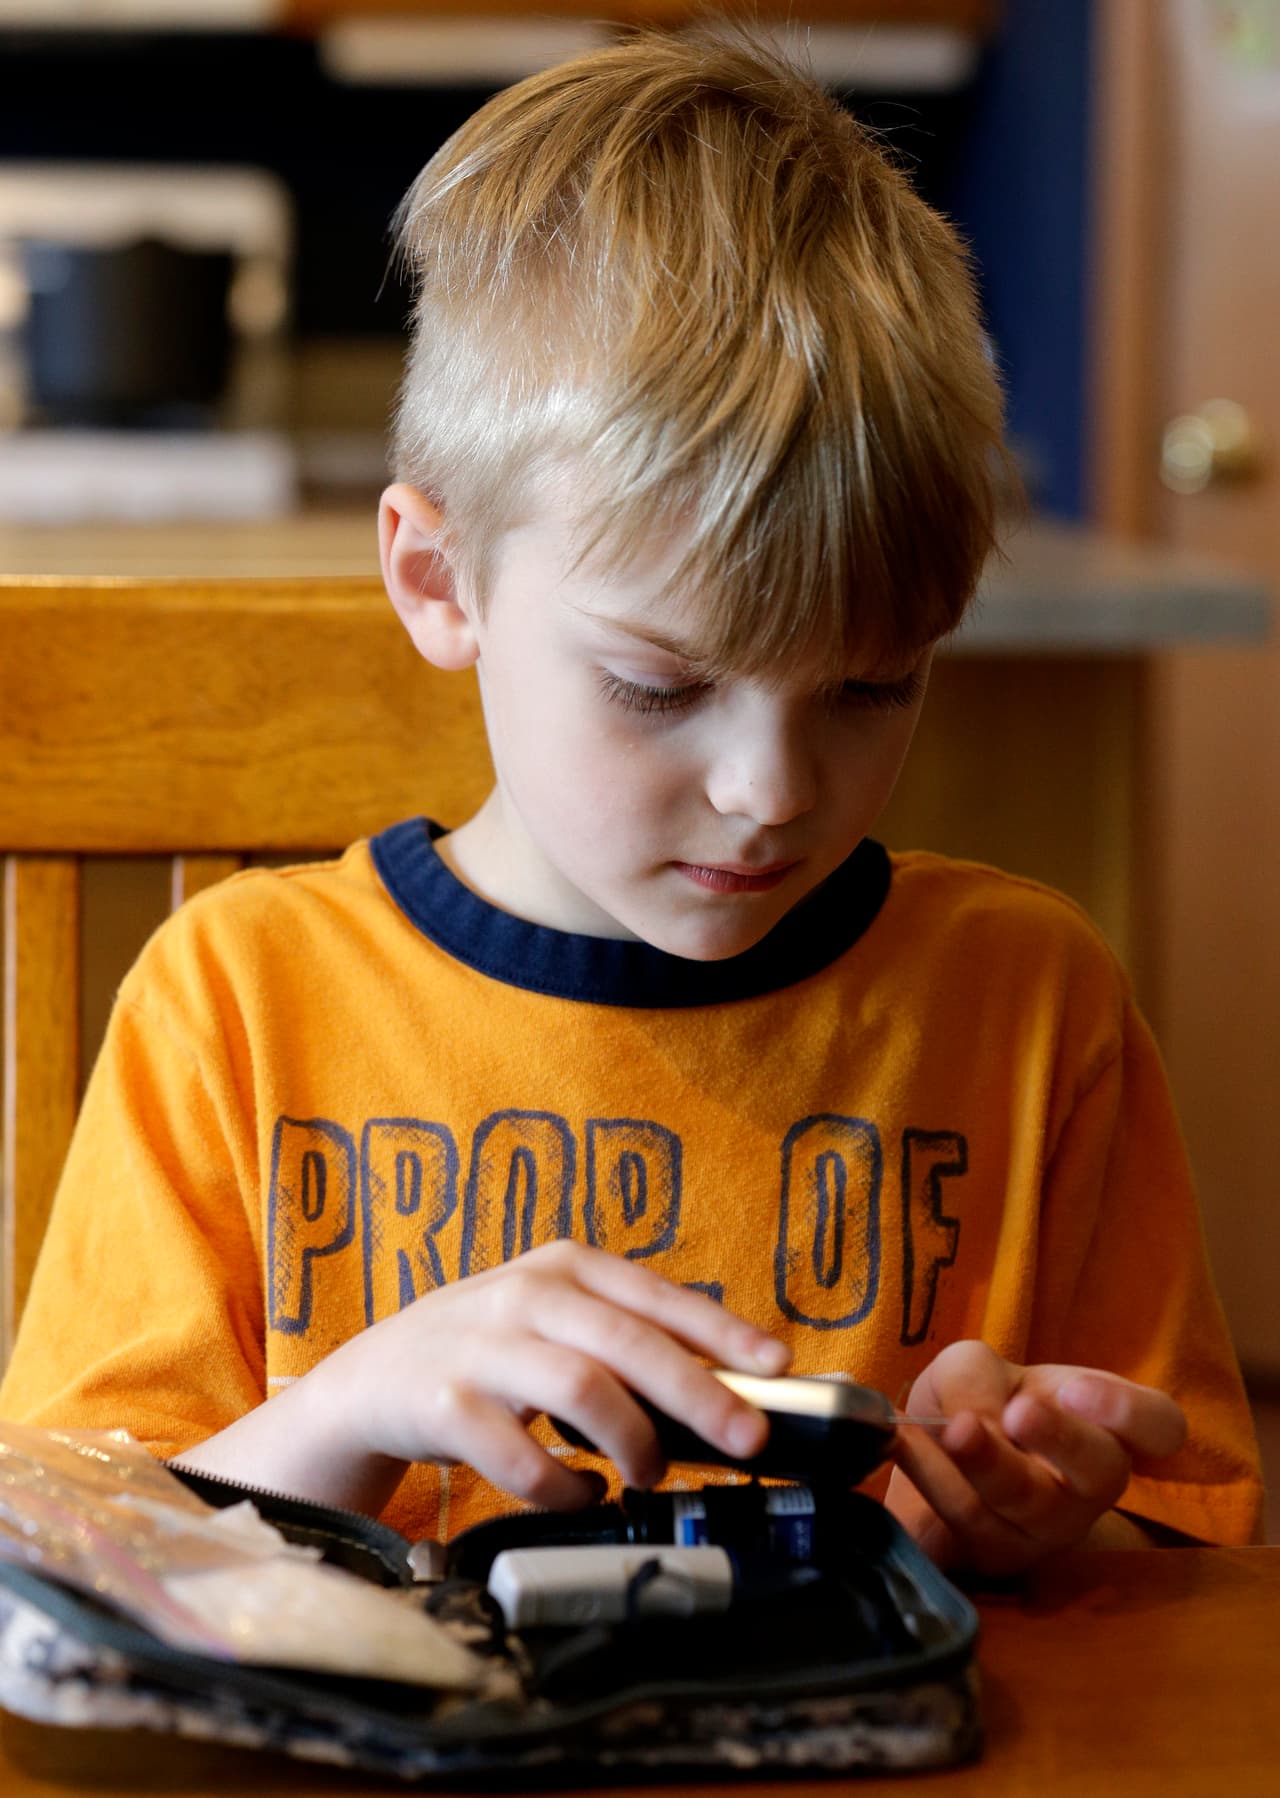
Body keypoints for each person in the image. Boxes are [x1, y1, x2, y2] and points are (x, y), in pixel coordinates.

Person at [0, 29, 1262, 1573]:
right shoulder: (235, 1005)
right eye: (659, 688)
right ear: (435, 577)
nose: (772, 790)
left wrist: (1044, 1518)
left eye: (872, 689)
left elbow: (1189, 1544)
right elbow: (66, 1552)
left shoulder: (1030, 1008)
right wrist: (344, 1408)